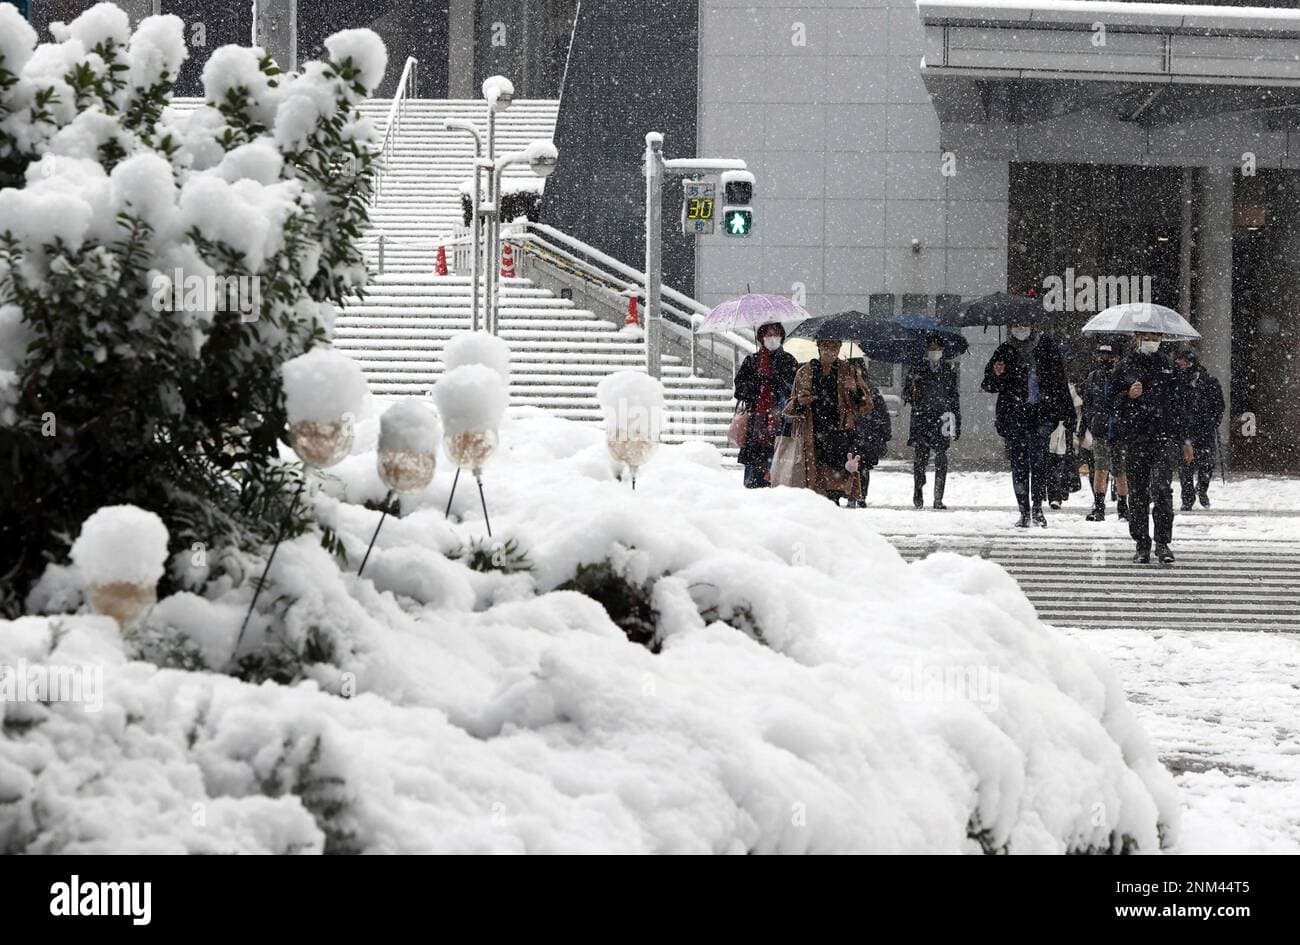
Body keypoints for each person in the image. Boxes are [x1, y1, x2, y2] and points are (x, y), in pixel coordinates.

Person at [1108, 331, 1194, 564]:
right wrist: (1128, 396)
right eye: (1147, 336)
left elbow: (1179, 405)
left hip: (1163, 437)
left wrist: (1185, 440)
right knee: (1138, 492)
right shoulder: (1126, 366)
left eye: (1156, 336)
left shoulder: (1168, 366)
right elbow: (1111, 402)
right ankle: (1141, 543)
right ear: (1136, 338)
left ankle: (1163, 542)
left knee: (1162, 489)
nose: (1151, 341)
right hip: (1136, 437)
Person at [980, 322, 1072, 527]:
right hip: (1014, 415)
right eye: (1015, 326)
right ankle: (1024, 510)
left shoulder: (1046, 346)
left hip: (1041, 413)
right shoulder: (1004, 350)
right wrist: (997, 374)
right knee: (1019, 464)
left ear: (1032, 326)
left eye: (1024, 325)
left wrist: (1066, 412)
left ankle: (1037, 507)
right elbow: (988, 385)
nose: (1020, 329)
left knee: (1039, 462)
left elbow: (1059, 381)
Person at [784, 339, 876, 505]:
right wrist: (800, 401)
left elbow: (866, 405)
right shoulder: (804, 372)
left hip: (840, 436)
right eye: (826, 346)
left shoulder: (849, 371)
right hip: (813, 437)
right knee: (816, 487)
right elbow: (790, 408)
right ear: (818, 346)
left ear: (840, 347)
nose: (830, 351)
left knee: (837, 486)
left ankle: (834, 516)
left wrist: (855, 390)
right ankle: (822, 521)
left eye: (834, 346)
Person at [733, 322, 798, 488]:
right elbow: (739, 391)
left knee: (780, 461)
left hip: (782, 421)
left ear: (781, 336)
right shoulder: (752, 361)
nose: (772, 338)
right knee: (756, 464)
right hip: (757, 422)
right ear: (761, 337)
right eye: (767, 334)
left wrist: (779, 384)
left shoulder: (788, 360)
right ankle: (755, 485)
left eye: (775, 334)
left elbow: (796, 390)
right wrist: (756, 385)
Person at [903, 336, 960, 510]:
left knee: (941, 457)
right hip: (922, 418)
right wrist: (912, 388)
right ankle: (918, 489)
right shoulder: (916, 369)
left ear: (942, 350)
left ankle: (938, 497)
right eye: (931, 348)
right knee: (920, 459)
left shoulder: (948, 370)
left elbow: (954, 398)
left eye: (938, 348)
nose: (934, 351)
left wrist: (957, 423)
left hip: (942, 419)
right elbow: (907, 396)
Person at [1078, 341, 1129, 521]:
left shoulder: (1123, 377)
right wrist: (1091, 420)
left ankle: (1123, 507)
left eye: (1108, 356)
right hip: (1100, 430)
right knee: (1100, 469)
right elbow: (1088, 402)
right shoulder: (1093, 377)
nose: (1104, 359)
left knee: (1121, 471)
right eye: (1102, 355)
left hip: (1119, 432)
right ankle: (1099, 506)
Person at [1174, 346, 1225, 510]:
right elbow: (1175, 404)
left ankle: (1202, 490)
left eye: (1181, 359)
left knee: (1206, 465)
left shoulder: (1209, 381)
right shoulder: (1178, 382)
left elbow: (1219, 406)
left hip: (1205, 429)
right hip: (1185, 429)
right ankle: (1187, 498)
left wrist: (1212, 422)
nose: (1178, 362)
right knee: (1186, 465)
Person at [847, 359, 891, 503]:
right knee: (849, 465)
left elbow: (881, 412)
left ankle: (860, 495)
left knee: (863, 467)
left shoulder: (870, 389)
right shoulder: (844, 387)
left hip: (867, 434)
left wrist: (884, 434)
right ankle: (852, 494)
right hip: (851, 433)